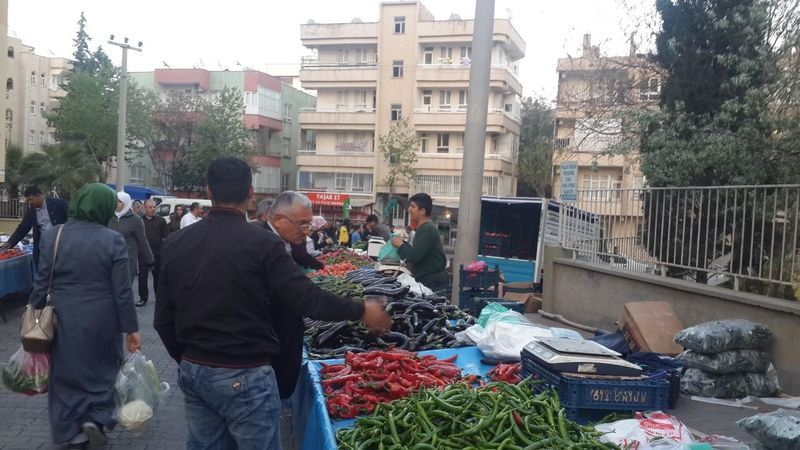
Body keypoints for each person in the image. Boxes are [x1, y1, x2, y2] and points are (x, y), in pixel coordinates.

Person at [154, 158, 390, 449]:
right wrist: (362, 309)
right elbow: (306, 298)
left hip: (195, 370)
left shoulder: (176, 242)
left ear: (208, 191)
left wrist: (189, 358)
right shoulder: (264, 244)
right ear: (251, 194)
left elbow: (162, 318)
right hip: (245, 372)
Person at [29, 183, 141, 449]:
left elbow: (42, 280)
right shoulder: (112, 239)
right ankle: (97, 418)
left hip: (63, 317)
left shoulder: (53, 235)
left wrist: (33, 311)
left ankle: (74, 432)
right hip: (104, 319)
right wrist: (131, 328)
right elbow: (123, 290)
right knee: (103, 372)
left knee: (65, 376)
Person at [391, 193, 448, 292]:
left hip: (432, 281)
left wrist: (400, 245)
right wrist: (403, 244)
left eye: (413, 206)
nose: (409, 209)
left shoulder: (427, 228)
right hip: (428, 279)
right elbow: (417, 251)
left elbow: (415, 256)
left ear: (422, 211)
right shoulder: (423, 228)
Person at [1, 185, 68, 268]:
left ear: (40, 195)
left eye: (31, 199)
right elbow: (23, 228)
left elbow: (71, 219)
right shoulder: (32, 211)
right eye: (28, 200)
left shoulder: (58, 204)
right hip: (44, 247)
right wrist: (10, 242)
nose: (30, 203)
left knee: (61, 268)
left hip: (61, 244)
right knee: (45, 270)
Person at [109, 192, 154, 282]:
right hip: (110, 257)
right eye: (115, 201)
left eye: (119, 201)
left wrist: (150, 260)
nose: (116, 204)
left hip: (127, 259)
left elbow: (142, 240)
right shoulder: (108, 217)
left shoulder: (135, 220)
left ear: (126, 203)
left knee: (124, 287)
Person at [137, 199, 169, 307]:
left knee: (158, 279)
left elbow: (167, 237)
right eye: (150, 207)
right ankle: (143, 298)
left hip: (157, 254)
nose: (152, 209)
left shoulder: (161, 221)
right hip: (143, 254)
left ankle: (159, 298)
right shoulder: (139, 221)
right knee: (142, 277)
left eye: (154, 207)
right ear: (144, 208)